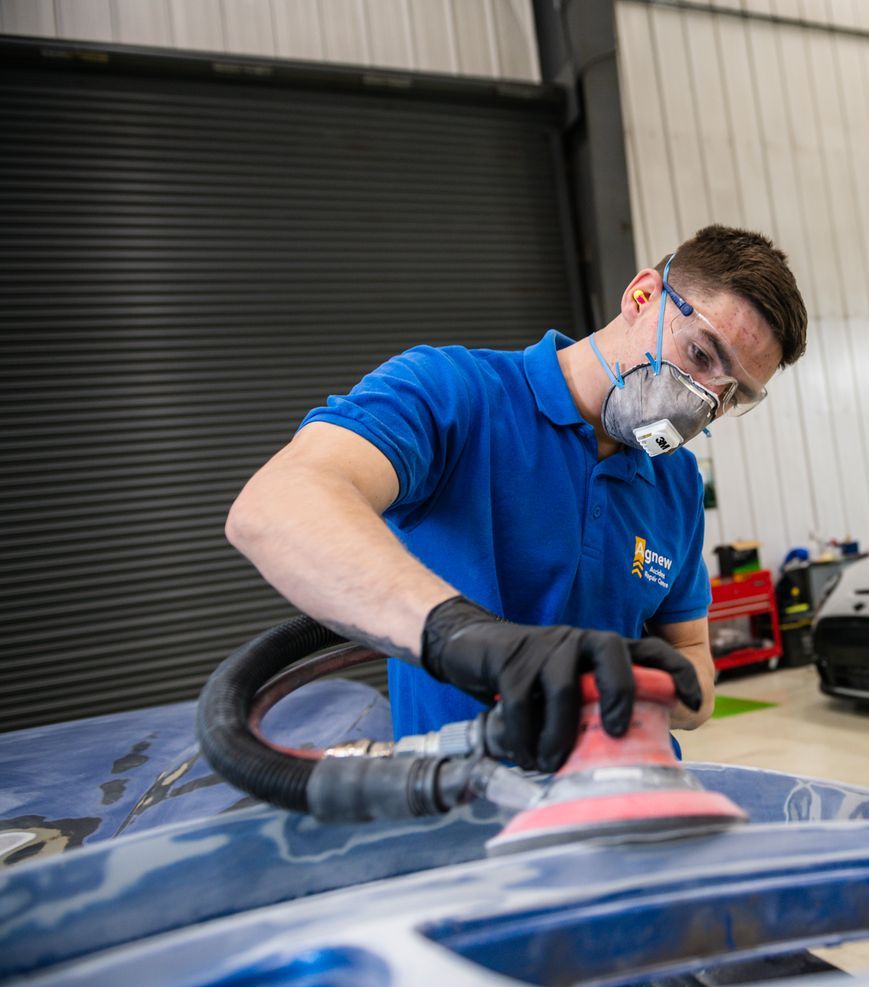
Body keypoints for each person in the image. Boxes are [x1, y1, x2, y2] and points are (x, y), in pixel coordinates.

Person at [226, 224, 808, 772]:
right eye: (701, 355)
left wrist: (656, 687)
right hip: (463, 803)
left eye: (732, 394)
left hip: (629, 798)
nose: (704, 400)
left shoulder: (677, 481)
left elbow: (695, 663)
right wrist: (468, 638)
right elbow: (278, 504)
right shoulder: (454, 394)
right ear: (641, 297)